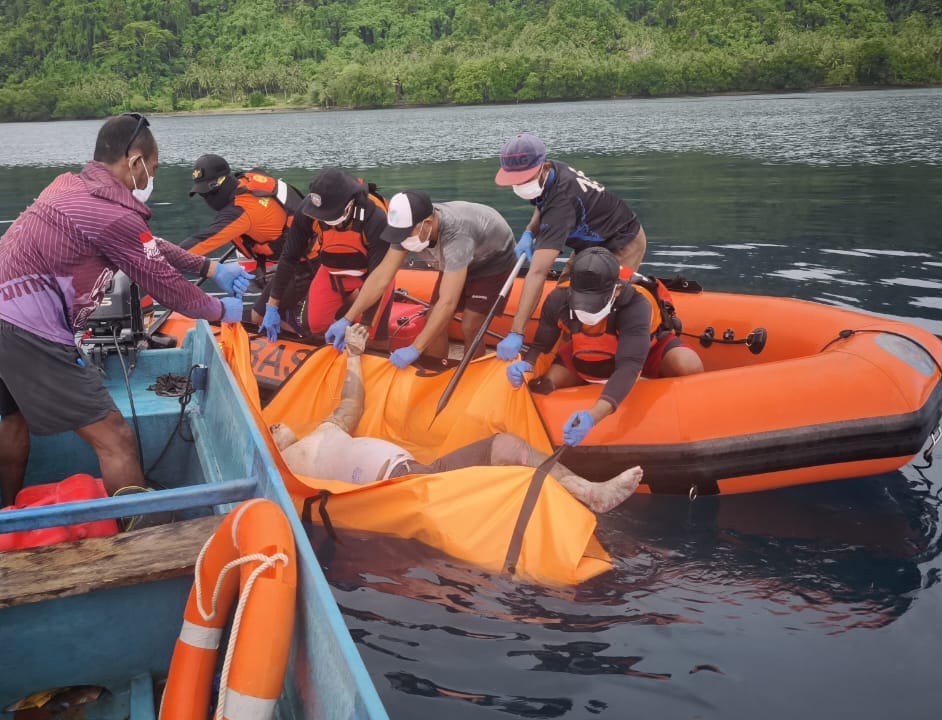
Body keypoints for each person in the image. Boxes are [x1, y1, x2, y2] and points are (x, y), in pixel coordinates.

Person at [0, 113, 250, 506]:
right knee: (115, 437)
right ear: (134, 162)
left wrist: (209, 266)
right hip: (26, 339)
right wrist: (224, 311)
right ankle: (136, 537)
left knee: (13, 417)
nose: (152, 176)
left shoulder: (66, 186)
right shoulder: (114, 215)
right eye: (153, 167)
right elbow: (170, 289)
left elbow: (145, 242)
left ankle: (8, 509)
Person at [270, 324, 644, 513]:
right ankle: (588, 494)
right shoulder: (281, 471)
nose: (274, 426)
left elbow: (353, 402)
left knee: (506, 446)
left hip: (415, 471)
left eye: (274, 425)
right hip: (397, 485)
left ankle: (588, 493)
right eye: (270, 431)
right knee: (505, 449)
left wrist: (354, 354)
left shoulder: (325, 429)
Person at [504, 247, 703, 447]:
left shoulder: (636, 304)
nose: (585, 309)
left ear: (616, 290)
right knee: (544, 384)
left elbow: (629, 366)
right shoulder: (559, 298)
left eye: (593, 303)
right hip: (585, 350)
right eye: (581, 301)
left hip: (644, 350)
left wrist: (593, 417)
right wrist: (527, 365)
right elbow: (541, 346)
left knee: (688, 364)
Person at [492, 132, 649, 361]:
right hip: (588, 242)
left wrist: (517, 332)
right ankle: (559, 356)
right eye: (515, 180)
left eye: (525, 179)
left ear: (543, 166)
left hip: (622, 240)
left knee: (596, 303)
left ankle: (601, 360)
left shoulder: (561, 203)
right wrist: (529, 231)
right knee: (563, 295)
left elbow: (537, 272)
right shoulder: (549, 174)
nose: (520, 185)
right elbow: (542, 204)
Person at [329, 190, 518, 368]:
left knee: (471, 324)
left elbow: (448, 302)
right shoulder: (406, 228)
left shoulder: (457, 235)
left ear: (427, 223)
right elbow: (381, 276)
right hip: (453, 260)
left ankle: (473, 375)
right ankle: (435, 370)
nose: (401, 240)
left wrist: (415, 348)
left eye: (405, 235)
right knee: (432, 318)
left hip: (492, 261)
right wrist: (347, 318)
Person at [257, 167, 392, 345]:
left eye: (329, 215)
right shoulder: (307, 211)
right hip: (332, 273)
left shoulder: (375, 217)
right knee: (316, 325)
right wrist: (272, 305)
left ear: (349, 204)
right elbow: (289, 257)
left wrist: (365, 325)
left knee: (372, 335)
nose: (325, 219)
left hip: (373, 276)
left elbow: (379, 277)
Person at [183, 155, 313, 330]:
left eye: (207, 194)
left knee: (257, 317)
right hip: (294, 255)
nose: (207, 200)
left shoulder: (241, 210)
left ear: (220, 185)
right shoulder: (248, 181)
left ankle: (300, 337)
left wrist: (158, 257)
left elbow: (198, 244)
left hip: (306, 264)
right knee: (249, 283)